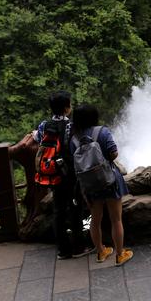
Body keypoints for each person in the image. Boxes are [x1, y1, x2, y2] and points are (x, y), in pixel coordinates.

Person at [70, 104, 134, 266]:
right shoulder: (102, 132)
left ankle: (101, 251)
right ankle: (120, 254)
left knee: (95, 220)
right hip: (109, 181)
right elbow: (113, 153)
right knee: (116, 219)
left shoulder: (74, 139)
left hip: (90, 185)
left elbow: (75, 161)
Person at [34, 91, 92, 260]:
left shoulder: (45, 125)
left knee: (58, 211)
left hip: (54, 175)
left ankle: (62, 250)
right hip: (71, 175)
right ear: (67, 108)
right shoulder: (72, 126)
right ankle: (78, 247)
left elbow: (38, 139)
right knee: (75, 209)